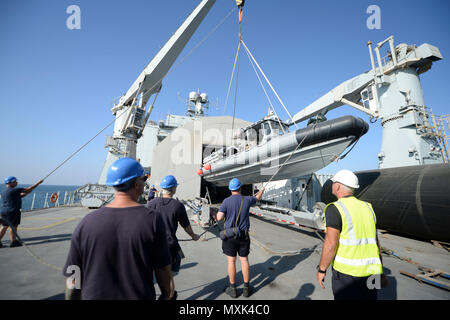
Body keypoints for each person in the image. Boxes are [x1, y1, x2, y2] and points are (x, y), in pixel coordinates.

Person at [62, 157, 173, 300]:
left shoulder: (86, 223)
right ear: (136, 184)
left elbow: (74, 274)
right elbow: (163, 268)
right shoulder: (153, 220)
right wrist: (166, 295)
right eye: (143, 179)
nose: (145, 183)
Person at [316, 169, 388, 300]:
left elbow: (331, 244)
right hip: (372, 272)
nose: (332, 185)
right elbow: (376, 243)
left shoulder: (335, 208)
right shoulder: (368, 207)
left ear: (337, 186)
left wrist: (322, 270)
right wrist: (381, 273)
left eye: (333, 183)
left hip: (347, 276)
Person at [146, 175, 200, 299]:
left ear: (163, 188)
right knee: (168, 275)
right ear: (173, 188)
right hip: (169, 246)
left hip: (151, 246)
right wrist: (193, 236)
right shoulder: (178, 206)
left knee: (150, 274)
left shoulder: (151, 204)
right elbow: (186, 225)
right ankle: (169, 296)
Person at [216, 178, 265, 298]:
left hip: (230, 236)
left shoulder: (226, 201)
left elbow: (219, 218)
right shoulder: (247, 199)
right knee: (244, 260)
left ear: (230, 189)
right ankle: (246, 289)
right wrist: (262, 190)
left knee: (231, 261)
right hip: (243, 236)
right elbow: (257, 197)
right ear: (240, 188)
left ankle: (233, 289)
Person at [0, 176, 44, 248]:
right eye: (15, 181)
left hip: (4, 211)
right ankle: (13, 242)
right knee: (13, 227)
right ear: (10, 182)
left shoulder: (4, 191)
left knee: (4, 226)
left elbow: (19, 196)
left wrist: (26, 193)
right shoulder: (15, 190)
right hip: (13, 211)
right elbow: (28, 190)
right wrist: (38, 183)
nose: (17, 182)